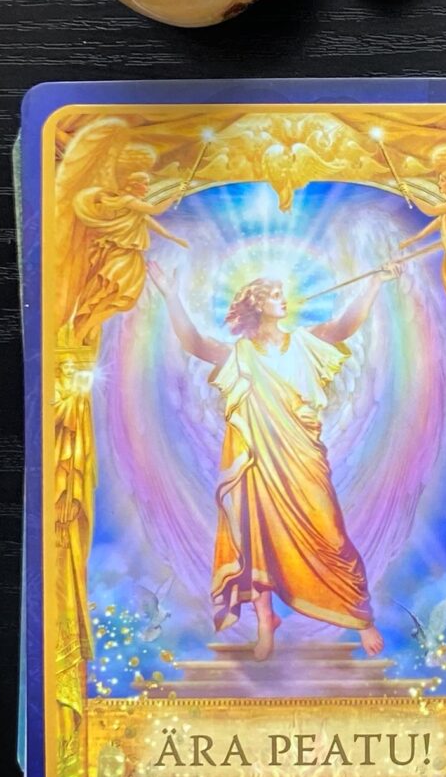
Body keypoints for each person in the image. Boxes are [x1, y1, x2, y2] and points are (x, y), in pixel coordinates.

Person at [149, 260, 394, 660]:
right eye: (275, 295)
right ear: (257, 304)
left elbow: (344, 327)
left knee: (330, 533)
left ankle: (361, 616)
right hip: (257, 461)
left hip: (302, 455)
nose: (283, 300)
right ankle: (266, 620)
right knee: (256, 534)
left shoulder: (305, 341)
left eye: (282, 294)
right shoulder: (239, 355)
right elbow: (193, 343)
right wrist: (170, 294)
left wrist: (374, 284)